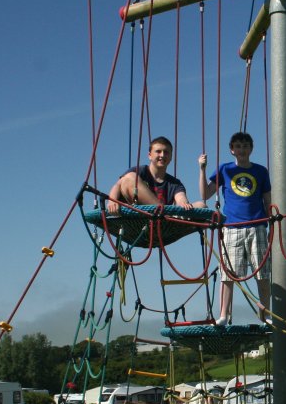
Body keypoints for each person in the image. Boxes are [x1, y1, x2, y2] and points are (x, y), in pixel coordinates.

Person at [199, 132, 271, 326]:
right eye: (238, 146)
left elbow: (268, 200)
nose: (242, 149)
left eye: (245, 146)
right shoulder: (224, 169)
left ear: (251, 148)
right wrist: (202, 169)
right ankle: (224, 314)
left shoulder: (261, 171)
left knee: (262, 273)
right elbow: (205, 194)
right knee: (228, 274)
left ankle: (265, 314)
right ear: (232, 150)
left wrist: (271, 223)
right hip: (232, 227)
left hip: (257, 226)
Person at [107, 136, 201, 214]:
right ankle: (161, 210)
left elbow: (180, 196)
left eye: (166, 152)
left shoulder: (174, 183)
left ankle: (163, 212)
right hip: (139, 215)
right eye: (158, 151)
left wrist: (183, 202)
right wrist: (112, 201)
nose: (162, 155)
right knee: (130, 177)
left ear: (171, 157)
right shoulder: (140, 171)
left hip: (162, 222)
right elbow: (118, 185)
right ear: (149, 155)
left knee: (201, 205)